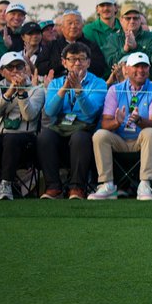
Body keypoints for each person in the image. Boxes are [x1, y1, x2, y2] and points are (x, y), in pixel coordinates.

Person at [88, 52, 152, 200]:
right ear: (127, 69)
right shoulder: (114, 90)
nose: (141, 71)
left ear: (149, 69)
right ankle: (107, 185)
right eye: (136, 67)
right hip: (120, 139)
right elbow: (105, 122)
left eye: (144, 67)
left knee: (150, 132)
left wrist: (138, 120)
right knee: (100, 135)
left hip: (141, 140)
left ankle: (145, 184)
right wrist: (116, 122)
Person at [38, 42, 107, 199]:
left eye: (82, 59)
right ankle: (53, 186)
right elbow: (49, 111)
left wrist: (78, 91)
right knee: (44, 137)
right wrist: (64, 89)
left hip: (84, 128)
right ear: (64, 62)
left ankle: (77, 187)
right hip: (60, 127)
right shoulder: (56, 83)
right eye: (72, 59)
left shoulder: (99, 83)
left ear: (88, 62)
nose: (77, 63)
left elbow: (90, 113)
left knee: (80, 138)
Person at [0, 52, 45, 200]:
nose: (15, 70)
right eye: (10, 67)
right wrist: (8, 93)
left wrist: (21, 93)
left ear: (25, 68)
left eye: (19, 66)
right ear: (2, 71)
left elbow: (29, 115)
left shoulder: (37, 90)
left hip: (24, 137)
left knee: (11, 138)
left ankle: (6, 184)